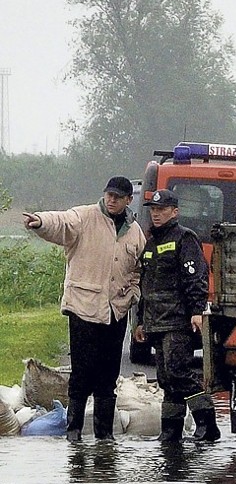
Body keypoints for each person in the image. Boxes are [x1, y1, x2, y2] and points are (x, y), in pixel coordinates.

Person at [23, 177, 146, 441]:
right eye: (109, 194)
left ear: (128, 200)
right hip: (83, 308)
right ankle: (74, 432)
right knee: (81, 373)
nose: (111, 199)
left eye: (117, 196)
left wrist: (132, 293)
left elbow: (136, 270)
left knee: (108, 376)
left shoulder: (135, 231)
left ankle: (104, 436)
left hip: (116, 312)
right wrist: (40, 222)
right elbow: (61, 223)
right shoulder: (84, 217)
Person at [133, 189, 221, 444]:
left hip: (178, 321)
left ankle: (207, 424)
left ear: (175, 212)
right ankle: (170, 431)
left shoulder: (185, 238)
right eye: (153, 210)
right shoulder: (151, 242)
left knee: (178, 372)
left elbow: (196, 278)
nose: (156, 214)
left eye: (161, 210)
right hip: (155, 321)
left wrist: (196, 311)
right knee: (165, 379)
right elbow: (145, 285)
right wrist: (140, 320)